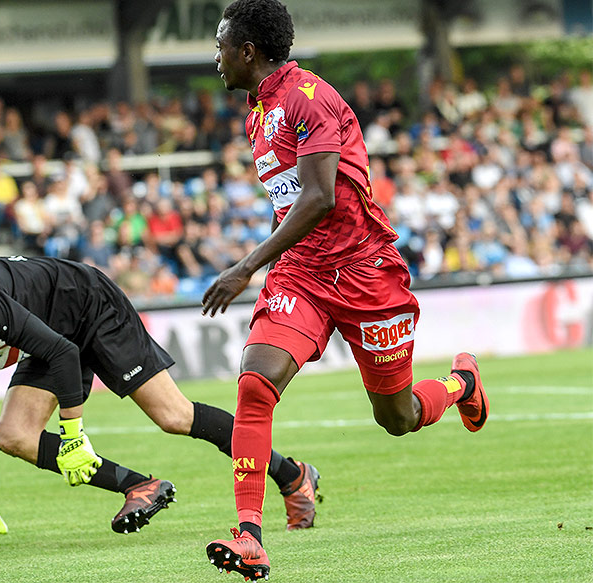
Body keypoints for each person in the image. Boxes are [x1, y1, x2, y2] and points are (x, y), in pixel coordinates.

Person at [203, 1, 490, 580]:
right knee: (255, 383)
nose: (216, 58)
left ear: (248, 50)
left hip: (365, 271)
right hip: (303, 273)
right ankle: (249, 534)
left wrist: (245, 267)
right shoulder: (259, 112)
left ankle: (461, 384)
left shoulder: (307, 99)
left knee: (399, 417)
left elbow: (319, 197)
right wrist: (270, 265)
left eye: (221, 46)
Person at [0, 255, 320, 553]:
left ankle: (292, 475)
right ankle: (139, 486)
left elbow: (65, 352)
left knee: (174, 416)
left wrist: (73, 434)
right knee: (13, 437)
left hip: (89, 305)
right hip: (49, 336)